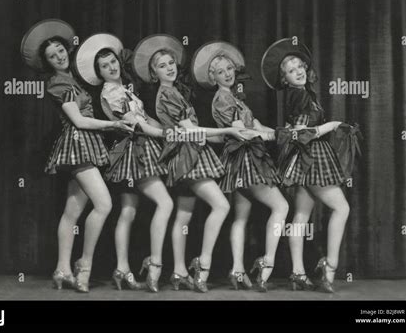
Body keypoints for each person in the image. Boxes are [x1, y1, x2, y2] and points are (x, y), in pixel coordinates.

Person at [20, 20, 133, 293]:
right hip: (78, 143)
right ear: (47, 63)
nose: (59, 56)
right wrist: (113, 125)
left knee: (72, 211)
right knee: (104, 204)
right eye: (52, 55)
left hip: (87, 144)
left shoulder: (73, 78)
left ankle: (62, 268)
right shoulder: (58, 82)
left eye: (60, 50)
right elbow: (79, 121)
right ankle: (84, 263)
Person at [132, 35, 247, 292]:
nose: (170, 67)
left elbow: (191, 130)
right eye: (162, 65)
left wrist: (226, 134)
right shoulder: (168, 95)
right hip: (188, 155)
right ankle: (202, 264)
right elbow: (189, 132)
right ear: (153, 72)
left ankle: (178, 271)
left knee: (184, 215)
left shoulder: (172, 91)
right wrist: (227, 131)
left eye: (171, 62)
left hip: (189, 152)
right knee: (221, 205)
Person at [74, 33, 173, 292]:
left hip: (135, 149)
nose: (111, 67)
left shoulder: (125, 88)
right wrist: (167, 134)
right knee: (165, 202)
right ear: (99, 73)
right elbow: (138, 125)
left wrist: (166, 127)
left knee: (128, 211)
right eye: (104, 66)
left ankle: (122, 268)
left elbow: (147, 118)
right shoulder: (112, 93)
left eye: (113, 61)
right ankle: (155, 265)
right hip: (136, 151)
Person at [192, 41, 288, 292]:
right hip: (245, 159)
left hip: (241, 160)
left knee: (241, 217)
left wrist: (280, 134)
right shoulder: (222, 99)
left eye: (229, 68)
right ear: (212, 78)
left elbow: (254, 124)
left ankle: (236, 268)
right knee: (281, 206)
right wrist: (271, 137)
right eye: (221, 71)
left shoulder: (234, 97)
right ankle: (267, 264)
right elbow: (243, 134)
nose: (227, 73)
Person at [261, 38, 350, 293]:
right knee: (341, 208)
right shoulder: (299, 95)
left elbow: (295, 129)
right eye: (291, 70)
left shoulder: (301, 93)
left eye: (300, 66)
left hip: (306, 158)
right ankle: (329, 267)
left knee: (300, 217)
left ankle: (298, 273)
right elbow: (301, 132)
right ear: (285, 79)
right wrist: (331, 125)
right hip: (311, 157)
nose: (298, 71)